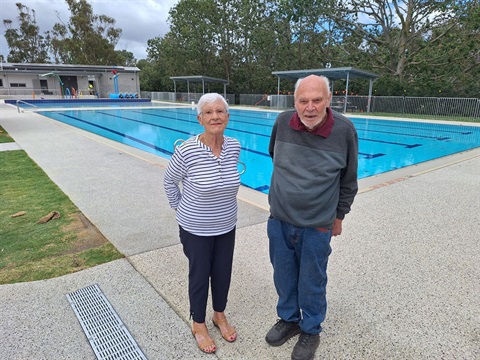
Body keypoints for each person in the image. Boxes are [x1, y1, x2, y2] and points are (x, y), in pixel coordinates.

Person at [265, 75, 358, 360]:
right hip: (279, 219)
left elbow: (349, 180)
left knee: (312, 280)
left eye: (317, 100)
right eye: (303, 101)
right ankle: (289, 319)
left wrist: (339, 217)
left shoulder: (344, 130)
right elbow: (274, 156)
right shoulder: (282, 122)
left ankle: (311, 329)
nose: (310, 107)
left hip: (317, 225)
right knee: (283, 275)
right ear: (294, 102)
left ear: (328, 100)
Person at [163, 93, 240, 354]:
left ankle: (219, 315)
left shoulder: (234, 146)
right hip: (196, 229)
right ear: (200, 119)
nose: (215, 116)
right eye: (208, 112)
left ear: (228, 117)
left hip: (227, 225)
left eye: (220, 111)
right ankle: (198, 324)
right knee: (199, 276)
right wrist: (180, 208)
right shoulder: (186, 150)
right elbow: (169, 181)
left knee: (222, 273)